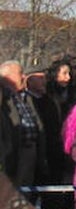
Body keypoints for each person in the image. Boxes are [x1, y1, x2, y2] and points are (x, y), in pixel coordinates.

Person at [0, 60, 47, 189]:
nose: (23, 77)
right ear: (6, 76)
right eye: (20, 73)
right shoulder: (4, 98)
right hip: (13, 153)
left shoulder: (26, 97)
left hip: (31, 151)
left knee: (26, 192)